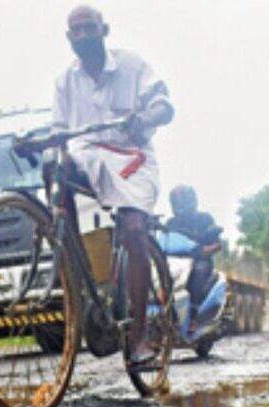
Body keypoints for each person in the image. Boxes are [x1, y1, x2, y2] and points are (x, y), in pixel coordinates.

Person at [51, 5, 175, 364]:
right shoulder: (64, 82)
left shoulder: (132, 65)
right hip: (88, 155)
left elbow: (164, 105)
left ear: (105, 30)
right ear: (69, 38)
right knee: (52, 164)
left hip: (131, 157)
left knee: (133, 230)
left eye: (91, 28)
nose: (85, 36)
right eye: (77, 31)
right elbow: (59, 132)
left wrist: (146, 117)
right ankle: (71, 262)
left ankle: (138, 335)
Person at [165, 185, 221, 322]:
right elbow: (163, 241)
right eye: (176, 201)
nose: (179, 204)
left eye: (182, 200)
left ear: (192, 200)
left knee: (199, 270)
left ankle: (194, 311)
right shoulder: (170, 223)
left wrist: (202, 251)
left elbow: (217, 244)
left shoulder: (205, 219)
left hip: (198, 260)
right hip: (173, 261)